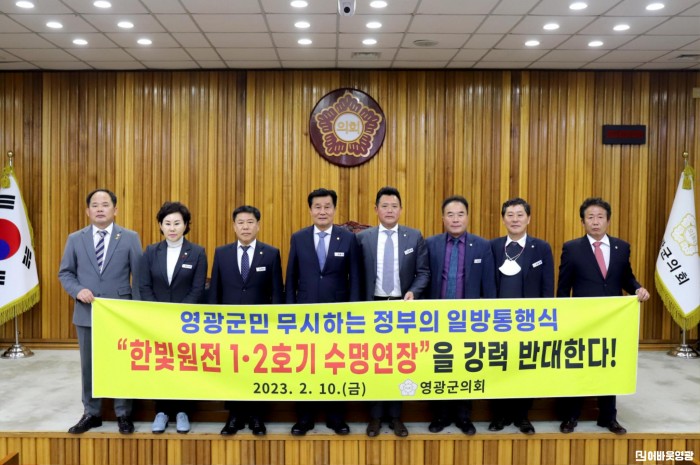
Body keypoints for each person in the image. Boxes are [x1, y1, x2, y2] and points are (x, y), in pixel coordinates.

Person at [557, 197, 650, 435]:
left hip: (612, 321)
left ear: (608, 220)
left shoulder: (622, 247)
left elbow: (626, 278)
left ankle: (608, 417)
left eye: (600, 217)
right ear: (582, 221)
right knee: (578, 367)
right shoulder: (572, 248)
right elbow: (563, 288)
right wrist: (562, 318)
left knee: (609, 367)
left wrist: (638, 289)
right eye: (590, 217)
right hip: (581, 321)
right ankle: (571, 416)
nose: (595, 222)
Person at [58, 189, 142, 434]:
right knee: (89, 366)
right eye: (95, 205)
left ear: (115, 209)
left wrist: (137, 313)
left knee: (121, 363)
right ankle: (91, 413)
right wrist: (78, 290)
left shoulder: (130, 238)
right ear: (88, 211)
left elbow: (139, 277)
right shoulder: (75, 239)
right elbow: (65, 273)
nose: (100, 209)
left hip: (121, 314)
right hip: (87, 313)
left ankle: (123, 413)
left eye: (105, 204)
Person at [286, 188, 362, 436]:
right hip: (304, 316)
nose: (322, 211)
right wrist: (289, 314)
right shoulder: (299, 238)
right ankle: (304, 419)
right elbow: (291, 277)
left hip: (338, 315)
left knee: (335, 364)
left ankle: (336, 418)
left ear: (334, 209)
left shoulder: (347, 238)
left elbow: (355, 278)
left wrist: (353, 313)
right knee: (305, 365)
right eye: (317, 207)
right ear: (310, 210)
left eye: (327, 206)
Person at [357, 186, 430, 438]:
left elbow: (423, 272)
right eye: (385, 206)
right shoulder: (363, 238)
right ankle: (376, 417)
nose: (389, 210)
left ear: (401, 209)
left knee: (399, 363)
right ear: (376, 209)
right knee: (375, 363)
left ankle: (397, 416)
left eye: (394, 206)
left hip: (402, 309)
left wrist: (413, 292)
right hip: (372, 308)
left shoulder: (414, 236)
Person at [425, 195, 497, 436]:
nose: (455, 219)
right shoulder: (431, 244)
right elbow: (424, 278)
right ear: (443, 218)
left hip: (469, 320)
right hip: (437, 319)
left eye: (460, 214)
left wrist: (487, 317)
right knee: (440, 366)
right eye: (450, 214)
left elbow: (489, 286)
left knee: (466, 366)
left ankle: (464, 417)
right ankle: (440, 416)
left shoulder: (482, 246)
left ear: (467, 217)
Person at [209, 205, 284, 436]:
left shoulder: (270, 253)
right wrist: (214, 322)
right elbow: (215, 291)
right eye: (240, 222)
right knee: (232, 369)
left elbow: (277, 293)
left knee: (258, 370)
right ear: (234, 226)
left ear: (258, 226)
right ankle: (234, 416)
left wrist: (276, 325)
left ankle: (257, 417)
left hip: (260, 327)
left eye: (250, 222)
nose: (245, 227)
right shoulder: (222, 253)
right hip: (229, 325)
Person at [139, 201, 207, 435]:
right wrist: (159, 312)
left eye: (177, 223)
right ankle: (161, 411)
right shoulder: (151, 252)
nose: (172, 228)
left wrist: (179, 314)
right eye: (167, 223)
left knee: (184, 365)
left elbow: (198, 288)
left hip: (185, 321)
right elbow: (144, 285)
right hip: (157, 320)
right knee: (161, 364)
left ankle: (182, 411)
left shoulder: (197, 252)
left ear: (186, 225)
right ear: (160, 225)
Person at [488, 197, 554, 435]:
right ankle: (499, 414)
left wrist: (545, 317)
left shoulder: (542, 248)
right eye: (510, 215)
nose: (515, 219)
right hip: (498, 321)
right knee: (499, 366)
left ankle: (522, 415)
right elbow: (487, 283)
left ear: (528, 218)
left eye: (520, 215)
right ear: (503, 219)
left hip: (529, 321)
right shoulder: (493, 247)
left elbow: (547, 287)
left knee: (526, 367)